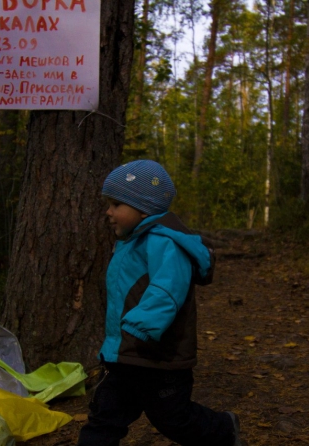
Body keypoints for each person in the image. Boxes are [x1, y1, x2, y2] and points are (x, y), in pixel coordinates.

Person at [78, 160, 241, 446]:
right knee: (105, 416)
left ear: (143, 208)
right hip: (125, 354)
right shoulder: (132, 240)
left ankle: (223, 429)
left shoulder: (164, 242)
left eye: (116, 204)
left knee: (174, 418)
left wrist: (142, 325)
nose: (108, 212)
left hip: (159, 356)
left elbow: (168, 289)